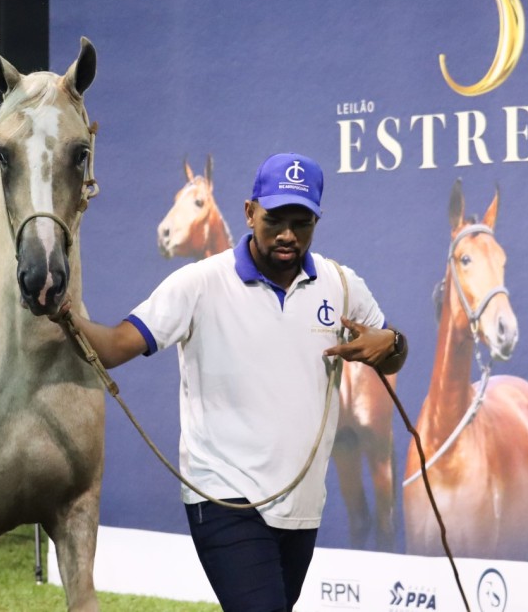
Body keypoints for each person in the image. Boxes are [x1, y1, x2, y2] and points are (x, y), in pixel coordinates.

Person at [52, 152, 407, 611]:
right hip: (223, 497)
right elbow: (115, 345)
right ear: (249, 212)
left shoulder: (340, 284)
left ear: (316, 222)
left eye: (302, 223)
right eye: (274, 219)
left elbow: (392, 353)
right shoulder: (199, 283)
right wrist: (65, 316)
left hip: (301, 507)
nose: (287, 235)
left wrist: (392, 342)